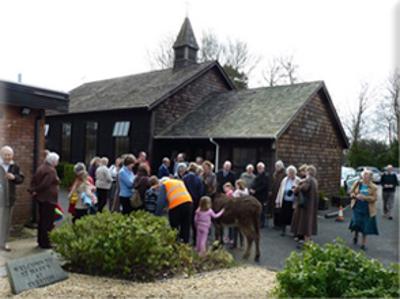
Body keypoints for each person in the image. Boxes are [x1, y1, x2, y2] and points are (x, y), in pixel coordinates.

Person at [29, 152, 60, 249]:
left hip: (42, 199)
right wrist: (35, 190)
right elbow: (45, 184)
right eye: (57, 161)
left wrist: (33, 190)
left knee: (42, 220)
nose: (58, 163)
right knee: (48, 222)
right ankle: (46, 243)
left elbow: (34, 180)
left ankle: (41, 241)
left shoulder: (41, 167)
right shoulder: (51, 170)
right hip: (48, 199)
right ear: (53, 161)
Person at [0, 146, 24, 251]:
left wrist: (14, 177)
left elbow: (21, 179)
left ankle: (3, 243)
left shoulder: (15, 166)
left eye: (9, 155)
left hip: (9, 199)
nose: (8, 157)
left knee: (6, 222)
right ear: (1, 155)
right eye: (6, 154)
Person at [155, 178, 193, 243]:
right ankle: (185, 245)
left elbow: (160, 202)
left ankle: (175, 244)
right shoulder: (179, 181)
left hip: (176, 205)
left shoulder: (164, 185)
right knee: (186, 226)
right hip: (189, 203)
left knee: (174, 228)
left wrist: (156, 215)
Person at [349, 169, 378, 250]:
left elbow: (375, 198)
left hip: (367, 209)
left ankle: (363, 244)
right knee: (356, 223)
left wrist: (364, 197)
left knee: (365, 227)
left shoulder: (374, 187)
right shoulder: (358, 183)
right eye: (364, 175)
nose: (365, 177)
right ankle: (355, 235)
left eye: (368, 176)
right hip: (357, 207)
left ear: (370, 178)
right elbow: (351, 192)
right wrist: (354, 196)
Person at [291, 165, 319, 247]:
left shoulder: (308, 180)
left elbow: (304, 188)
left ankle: (307, 243)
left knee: (305, 223)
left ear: (308, 172)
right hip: (311, 205)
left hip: (305, 206)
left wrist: (297, 187)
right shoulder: (315, 181)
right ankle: (308, 241)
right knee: (309, 222)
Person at [275, 165, 300, 236]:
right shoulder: (285, 180)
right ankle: (283, 230)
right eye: (289, 173)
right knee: (283, 215)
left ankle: (294, 231)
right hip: (285, 200)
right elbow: (280, 190)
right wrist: (278, 200)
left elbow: (300, 191)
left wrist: (294, 191)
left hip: (293, 201)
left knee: (293, 216)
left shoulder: (298, 180)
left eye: (292, 173)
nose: (290, 174)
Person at [183, 163, 205, 245]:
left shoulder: (184, 178)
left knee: (185, 221)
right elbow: (201, 192)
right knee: (194, 222)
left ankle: (185, 240)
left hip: (186, 200)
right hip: (195, 201)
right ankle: (195, 240)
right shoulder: (198, 179)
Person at [290, 164, 308, 241]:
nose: (300, 173)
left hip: (302, 202)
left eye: (301, 171)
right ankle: (298, 234)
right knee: (299, 219)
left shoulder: (305, 180)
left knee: (300, 219)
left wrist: (296, 189)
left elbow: (300, 190)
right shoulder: (304, 180)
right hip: (301, 201)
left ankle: (299, 235)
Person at [250, 162, 269, 228]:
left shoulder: (265, 176)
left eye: (260, 168)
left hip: (262, 196)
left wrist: (255, 190)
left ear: (263, 168)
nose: (259, 169)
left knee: (262, 210)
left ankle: (262, 223)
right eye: (258, 168)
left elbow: (264, 186)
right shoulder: (257, 175)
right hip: (256, 196)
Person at [270, 160, 286, 228]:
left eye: (278, 166)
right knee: (275, 209)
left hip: (280, 193)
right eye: (276, 166)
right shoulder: (275, 174)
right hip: (274, 193)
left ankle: (280, 224)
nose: (276, 167)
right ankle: (275, 223)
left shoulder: (284, 174)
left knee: (280, 209)